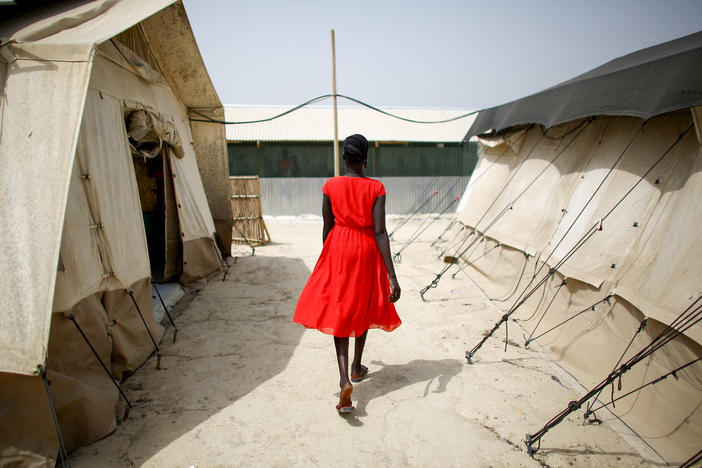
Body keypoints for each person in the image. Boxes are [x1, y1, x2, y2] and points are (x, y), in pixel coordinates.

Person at [294, 134, 402, 414]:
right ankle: (356, 366)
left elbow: (327, 226)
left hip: (339, 249)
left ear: (344, 157)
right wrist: (392, 276)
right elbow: (380, 232)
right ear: (364, 158)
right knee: (363, 307)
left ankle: (344, 378)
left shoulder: (330, 185)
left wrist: (327, 258)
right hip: (366, 252)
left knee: (341, 312)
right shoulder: (377, 188)